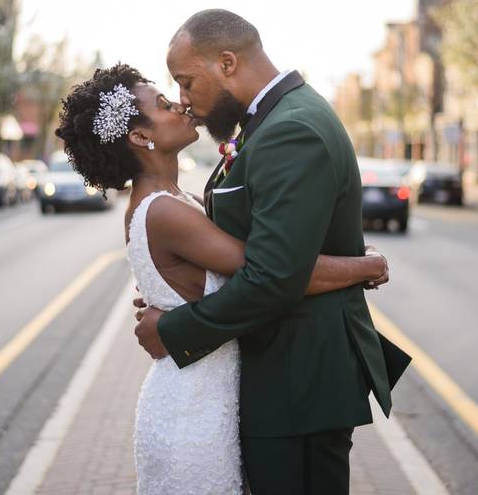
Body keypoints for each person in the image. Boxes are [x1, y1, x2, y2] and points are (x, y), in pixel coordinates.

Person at [54, 61, 388, 494]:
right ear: (139, 137)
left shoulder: (175, 200)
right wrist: (366, 267)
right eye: (162, 104)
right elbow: (274, 272)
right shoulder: (166, 210)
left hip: (208, 399)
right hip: (192, 412)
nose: (179, 104)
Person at [131, 9, 407, 494]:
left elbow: (273, 275)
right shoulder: (269, 122)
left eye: (186, 81)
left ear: (228, 63)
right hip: (281, 379)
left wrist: (174, 329)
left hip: (297, 382)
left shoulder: (290, 129)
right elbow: (263, 246)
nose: (184, 100)